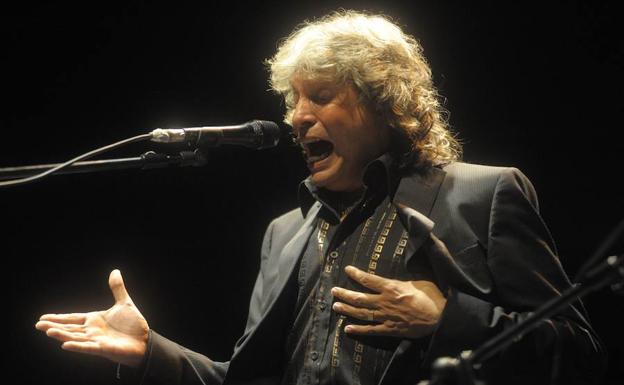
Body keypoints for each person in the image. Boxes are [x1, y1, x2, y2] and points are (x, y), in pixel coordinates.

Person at [35, 10, 605, 385]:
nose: (297, 117)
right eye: (294, 100)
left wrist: (449, 319)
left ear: (386, 102)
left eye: (323, 96)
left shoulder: (481, 194)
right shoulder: (287, 233)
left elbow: (579, 355)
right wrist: (150, 352)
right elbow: (247, 378)